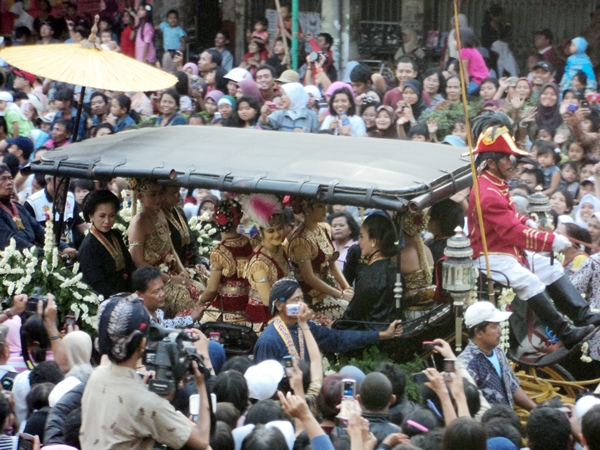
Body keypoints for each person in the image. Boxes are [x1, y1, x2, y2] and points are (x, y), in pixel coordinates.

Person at [468, 113, 599, 351]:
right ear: (491, 162)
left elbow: (510, 217)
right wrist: (551, 241)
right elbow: (511, 232)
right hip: (490, 257)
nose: (512, 162)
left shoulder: (494, 182)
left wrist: (527, 221)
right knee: (529, 280)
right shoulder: (487, 191)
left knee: (548, 266)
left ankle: (582, 315)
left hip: (506, 250)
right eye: (507, 158)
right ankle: (566, 332)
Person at [80, 294, 211, 449]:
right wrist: (201, 384)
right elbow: (202, 441)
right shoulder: (148, 403)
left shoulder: (97, 375)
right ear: (142, 343)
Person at [253, 278, 401, 363]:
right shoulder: (269, 340)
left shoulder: (306, 327)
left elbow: (339, 339)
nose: (302, 305)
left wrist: (382, 334)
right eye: (296, 300)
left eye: (302, 299)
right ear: (279, 305)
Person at [127, 178, 202, 318]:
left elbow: (171, 247)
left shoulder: (161, 215)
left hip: (170, 273)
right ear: (140, 197)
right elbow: (139, 262)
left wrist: (182, 271)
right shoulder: (138, 223)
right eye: (153, 195)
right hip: (154, 281)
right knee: (184, 298)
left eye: (160, 194)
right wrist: (169, 280)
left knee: (199, 288)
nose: (158, 199)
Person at [287, 198, 354, 326]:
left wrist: (347, 288)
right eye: (319, 206)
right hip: (313, 297)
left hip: (330, 286)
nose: (325, 210)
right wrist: (340, 295)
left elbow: (332, 263)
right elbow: (309, 278)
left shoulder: (325, 228)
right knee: (350, 313)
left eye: (325, 206)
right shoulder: (301, 241)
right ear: (307, 209)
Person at [458, 301, 536, 411]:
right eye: (494, 326)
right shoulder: (466, 364)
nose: (499, 331)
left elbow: (512, 386)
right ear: (478, 332)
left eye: (499, 325)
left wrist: (535, 409)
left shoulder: (498, 352)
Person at [337, 213, 399, 331]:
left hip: (370, 337)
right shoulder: (394, 269)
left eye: (361, 236)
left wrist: (333, 327)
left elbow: (352, 316)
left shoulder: (370, 276)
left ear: (374, 241)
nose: (359, 242)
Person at [199, 198, 253, 322]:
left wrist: (200, 300)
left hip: (226, 308)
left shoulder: (218, 251)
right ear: (238, 219)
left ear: (216, 220)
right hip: (246, 305)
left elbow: (212, 289)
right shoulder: (247, 242)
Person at [244, 195, 291, 328]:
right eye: (271, 231)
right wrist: (296, 309)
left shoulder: (280, 250)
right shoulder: (259, 263)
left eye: (280, 229)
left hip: (283, 310)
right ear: (262, 231)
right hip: (264, 319)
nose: (277, 234)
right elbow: (267, 300)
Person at [78, 190, 135, 298]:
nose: (107, 221)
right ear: (91, 216)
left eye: (112, 215)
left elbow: (129, 265)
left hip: (126, 292)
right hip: (107, 299)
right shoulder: (89, 247)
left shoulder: (115, 235)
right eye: (102, 216)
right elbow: (98, 285)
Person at [25, 174, 87, 249]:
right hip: (46, 253)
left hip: (69, 250)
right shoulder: (33, 202)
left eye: (68, 181)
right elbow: (28, 236)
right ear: (49, 180)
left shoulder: (70, 197)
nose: (66, 184)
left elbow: (82, 225)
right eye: (62, 181)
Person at [133, 267, 205, 328]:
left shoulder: (156, 312)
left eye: (162, 288)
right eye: (156, 291)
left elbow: (165, 324)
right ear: (139, 295)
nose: (163, 294)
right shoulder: (138, 321)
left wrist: (190, 318)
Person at [459, 28, 491, 95]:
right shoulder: (473, 50)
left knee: (464, 95)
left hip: (478, 80)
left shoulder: (464, 50)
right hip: (485, 78)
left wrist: (467, 85)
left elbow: (464, 69)